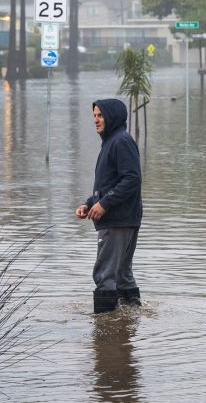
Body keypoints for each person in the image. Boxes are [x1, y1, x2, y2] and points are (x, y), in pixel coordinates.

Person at [75, 98, 143, 314]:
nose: (96, 120)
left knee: (105, 275)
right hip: (122, 218)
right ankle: (129, 322)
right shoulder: (112, 142)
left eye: (100, 115)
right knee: (122, 274)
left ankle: (105, 333)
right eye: (94, 115)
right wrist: (89, 204)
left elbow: (132, 179)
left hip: (117, 220)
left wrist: (104, 204)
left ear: (112, 116)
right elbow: (111, 183)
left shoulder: (120, 142)